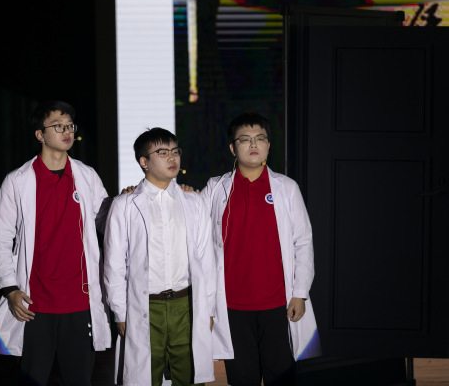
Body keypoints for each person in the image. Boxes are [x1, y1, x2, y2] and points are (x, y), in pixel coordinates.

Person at [0, 100, 112, 386]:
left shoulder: (86, 176)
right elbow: (1, 238)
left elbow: (108, 222)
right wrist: (10, 289)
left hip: (79, 301)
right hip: (34, 304)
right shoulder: (17, 181)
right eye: (58, 126)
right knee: (32, 379)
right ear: (39, 135)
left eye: (70, 126)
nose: (67, 131)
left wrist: (130, 201)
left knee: (79, 380)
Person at [201, 113, 321, 386]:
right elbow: (193, 225)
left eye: (260, 138)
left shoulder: (286, 188)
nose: (253, 144)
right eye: (245, 139)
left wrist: (300, 293)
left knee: (282, 376)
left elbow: (303, 241)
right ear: (233, 148)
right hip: (231, 304)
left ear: (268, 145)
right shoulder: (216, 188)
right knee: (242, 379)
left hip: (278, 303)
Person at [103, 127, 217, 386]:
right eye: (162, 153)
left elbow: (205, 259)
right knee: (144, 377)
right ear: (144, 162)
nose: (172, 158)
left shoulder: (194, 202)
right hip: (145, 306)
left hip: (186, 305)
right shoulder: (124, 205)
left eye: (175, 151)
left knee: (189, 376)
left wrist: (208, 307)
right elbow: (114, 264)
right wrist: (120, 312)